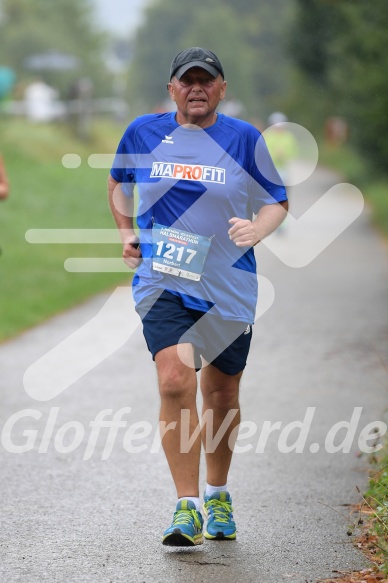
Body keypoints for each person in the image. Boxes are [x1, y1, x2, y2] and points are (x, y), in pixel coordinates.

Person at [108, 47, 288, 546]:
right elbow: (118, 183)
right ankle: (186, 507)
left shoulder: (244, 138)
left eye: (206, 81)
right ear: (172, 89)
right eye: (186, 81)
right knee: (173, 381)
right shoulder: (144, 132)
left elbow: (277, 199)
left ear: (221, 89)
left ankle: (218, 493)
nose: (196, 88)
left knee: (222, 392)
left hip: (228, 284)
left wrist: (257, 229)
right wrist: (126, 232)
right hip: (164, 278)